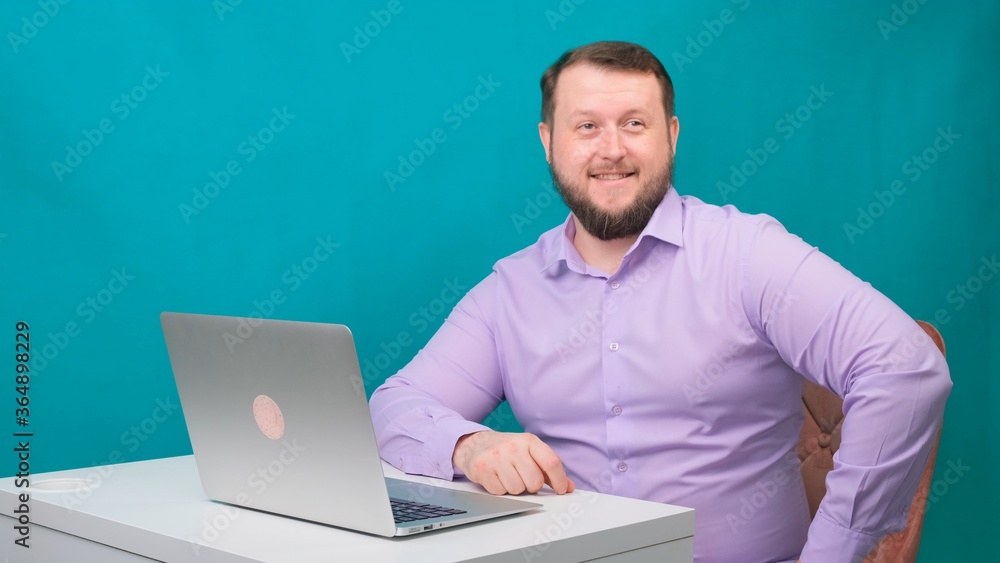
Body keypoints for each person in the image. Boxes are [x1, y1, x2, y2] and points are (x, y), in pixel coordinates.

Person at [368, 41, 951, 562]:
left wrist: (831, 555)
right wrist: (468, 445)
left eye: (634, 123)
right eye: (587, 127)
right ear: (549, 143)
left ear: (671, 135)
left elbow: (906, 369)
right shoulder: (510, 289)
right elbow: (394, 406)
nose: (612, 149)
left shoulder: (748, 254)